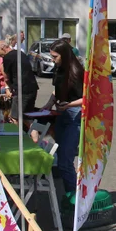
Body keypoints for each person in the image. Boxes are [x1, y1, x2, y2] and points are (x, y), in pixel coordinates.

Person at [41, 39, 84, 199]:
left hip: (75, 114)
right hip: (62, 113)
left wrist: (69, 105)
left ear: (65, 55)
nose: (53, 60)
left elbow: (87, 98)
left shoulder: (77, 72)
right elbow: (55, 90)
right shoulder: (58, 69)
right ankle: (69, 193)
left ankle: (74, 197)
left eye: (55, 56)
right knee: (62, 158)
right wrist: (48, 105)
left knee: (66, 158)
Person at [0, 39, 40, 122]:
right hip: (32, 88)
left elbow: (6, 77)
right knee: (27, 117)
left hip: (21, 90)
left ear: (3, 48)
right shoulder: (21, 53)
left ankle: (17, 134)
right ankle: (35, 134)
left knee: (14, 118)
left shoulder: (7, 57)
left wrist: (8, 88)